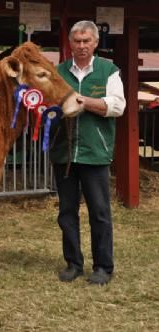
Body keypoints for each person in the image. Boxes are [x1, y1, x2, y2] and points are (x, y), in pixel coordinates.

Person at [50, 20, 126, 285]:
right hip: (65, 154)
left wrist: (84, 102)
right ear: (70, 44)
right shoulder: (57, 71)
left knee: (100, 212)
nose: (81, 46)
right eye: (77, 41)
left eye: (86, 41)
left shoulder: (109, 71)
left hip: (95, 152)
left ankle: (103, 266)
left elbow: (117, 106)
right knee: (67, 212)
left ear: (95, 43)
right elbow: (47, 102)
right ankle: (73, 264)